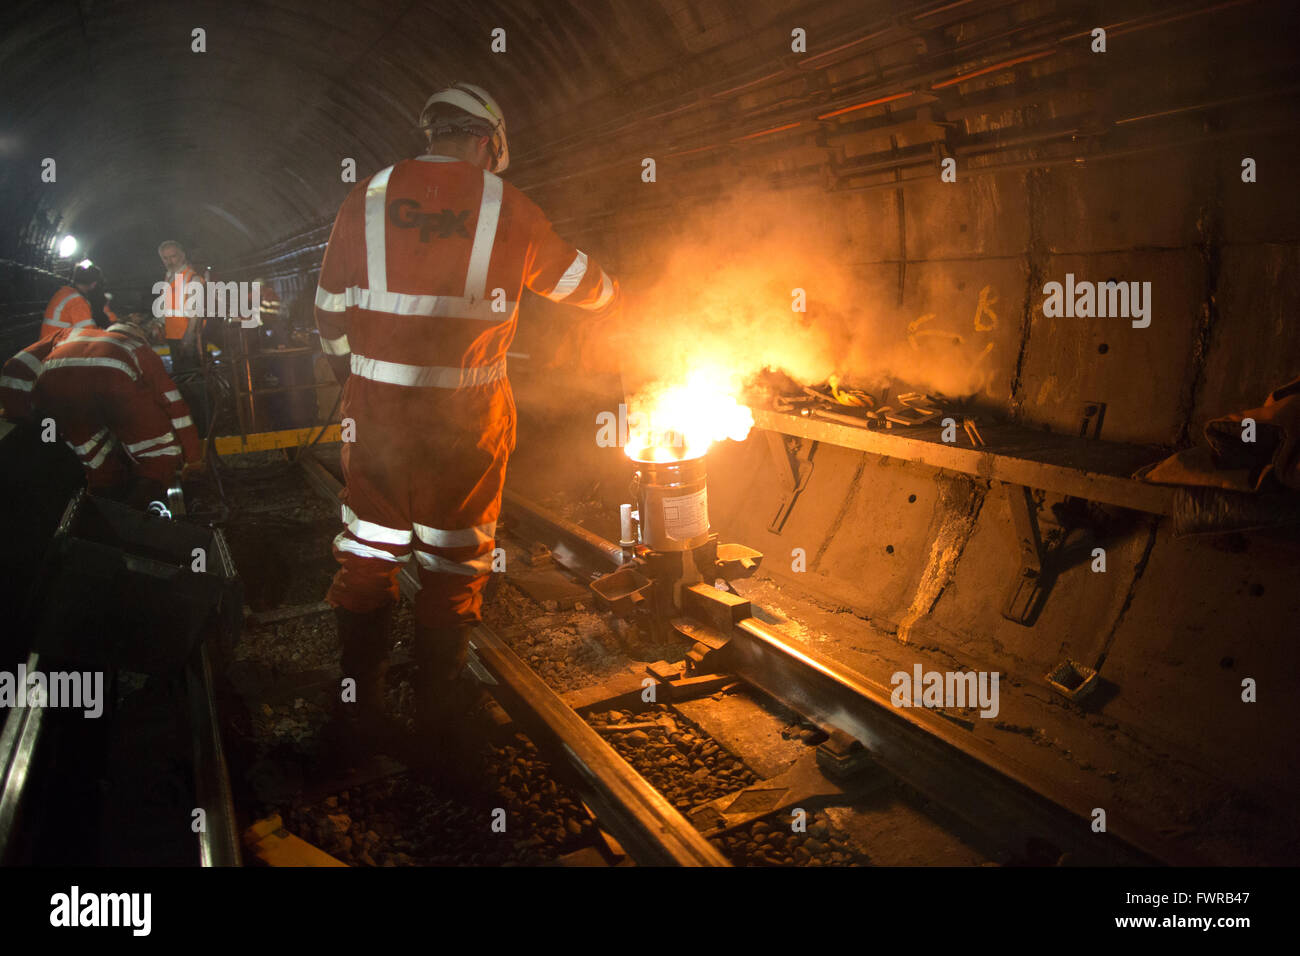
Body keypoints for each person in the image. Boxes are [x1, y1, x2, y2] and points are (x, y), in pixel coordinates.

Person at [315, 82, 621, 771]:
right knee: (454, 562)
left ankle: (356, 715)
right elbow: (578, 282)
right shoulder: (505, 205)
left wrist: (356, 383)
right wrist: (621, 295)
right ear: (489, 142)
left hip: (377, 418)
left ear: (433, 133)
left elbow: (329, 313)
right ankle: (440, 722)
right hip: (465, 423)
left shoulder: (362, 199)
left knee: (367, 550)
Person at [3, 312, 201, 508]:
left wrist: (18, 413)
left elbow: (15, 366)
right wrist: (193, 458)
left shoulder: (67, 335)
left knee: (96, 459)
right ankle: (132, 516)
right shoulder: (136, 347)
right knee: (161, 452)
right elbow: (173, 404)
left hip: (53, 389)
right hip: (112, 383)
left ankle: (97, 510)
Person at [156, 240, 209, 433]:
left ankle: (203, 427)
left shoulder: (192, 279)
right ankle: (190, 425)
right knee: (182, 384)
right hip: (175, 338)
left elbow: (196, 312)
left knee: (193, 384)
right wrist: (158, 324)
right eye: (166, 258)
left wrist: (189, 338)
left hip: (189, 340)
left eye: (173, 256)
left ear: (183, 255)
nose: (170, 261)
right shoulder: (170, 277)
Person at [38, 260, 117, 341]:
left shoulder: (64, 292)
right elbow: (89, 334)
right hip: (56, 347)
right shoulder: (77, 301)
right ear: (94, 284)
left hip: (48, 343)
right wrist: (108, 333)